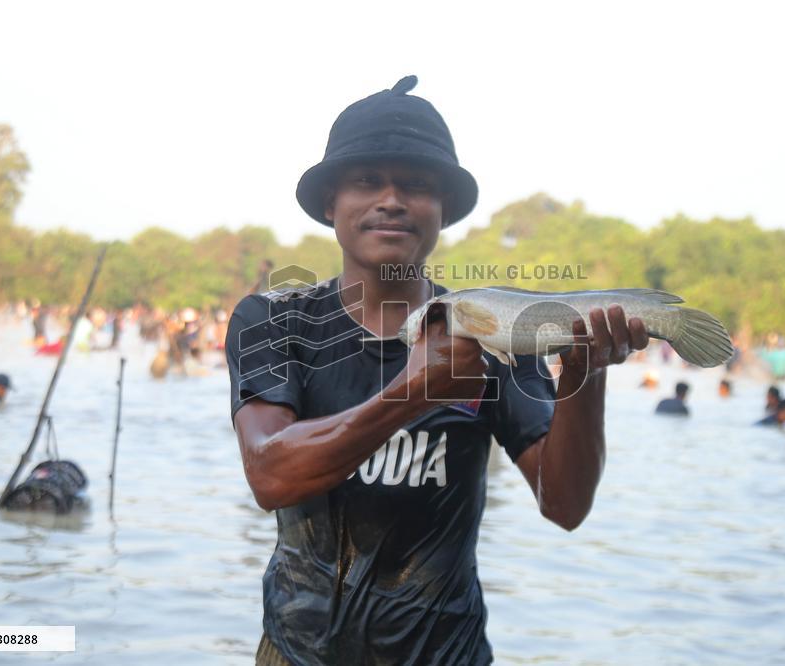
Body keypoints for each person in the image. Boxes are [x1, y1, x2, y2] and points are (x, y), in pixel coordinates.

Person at [225, 75, 650, 665]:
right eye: (367, 181)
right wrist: (412, 393)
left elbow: (565, 505)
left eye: (417, 185)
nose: (392, 200)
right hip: (296, 654)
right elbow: (270, 476)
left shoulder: (496, 328)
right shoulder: (274, 321)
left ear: (442, 209)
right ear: (331, 204)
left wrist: (586, 372)